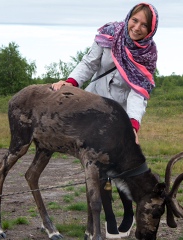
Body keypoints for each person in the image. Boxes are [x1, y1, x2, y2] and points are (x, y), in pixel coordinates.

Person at [52, 2, 159, 238]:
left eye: (144, 24)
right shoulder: (109, 33)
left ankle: (129, 214)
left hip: (120, 115)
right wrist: (70, 83)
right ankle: (109, 217)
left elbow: (138, 93)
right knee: (98, 167)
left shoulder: (147, 54)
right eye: (135, 20)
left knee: (122, 165)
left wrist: (133, 125)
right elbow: (89, 63)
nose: (137, 27)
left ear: (151, 29)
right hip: (94, 108)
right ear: (128, 17)